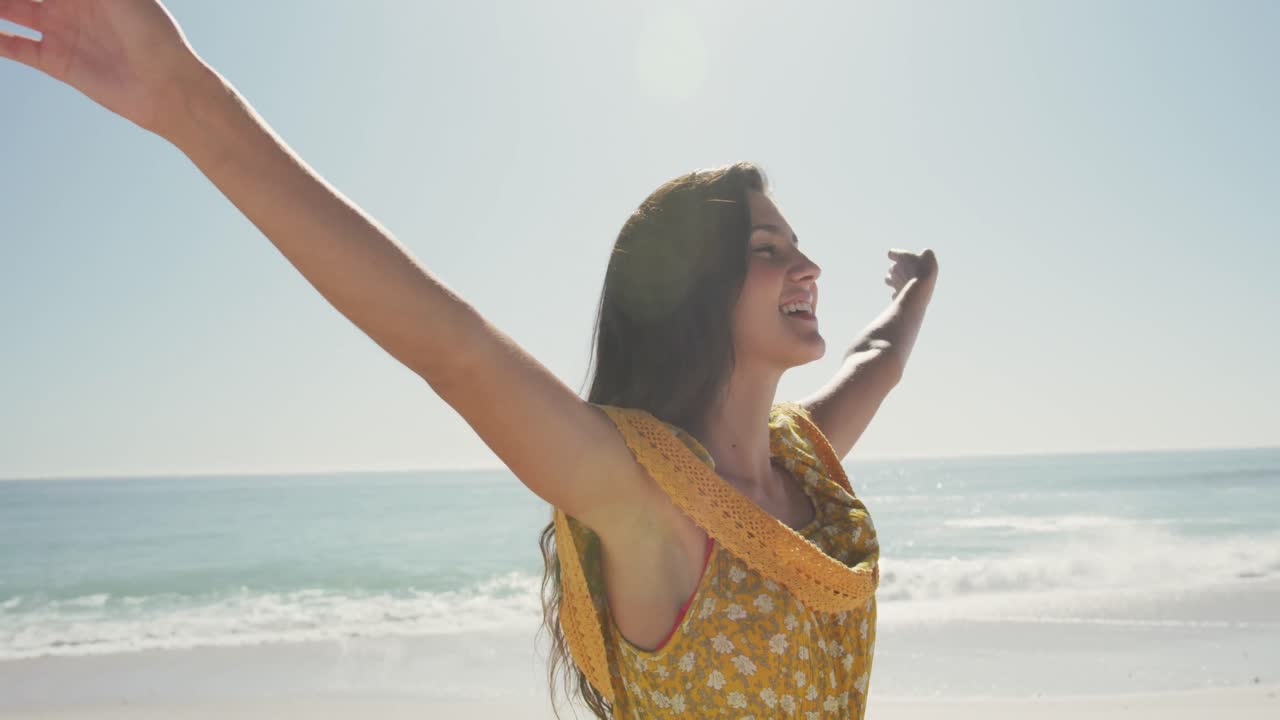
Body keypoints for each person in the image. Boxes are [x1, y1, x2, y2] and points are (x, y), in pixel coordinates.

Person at [0, 1, 938, 717]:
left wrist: (917, 290)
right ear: (694, 286)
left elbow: (878, 359)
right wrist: (185, 102)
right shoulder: (640, 497)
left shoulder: (802, 464)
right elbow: (451, 349)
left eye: (796, 245)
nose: (806, 266)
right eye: (768, 249)